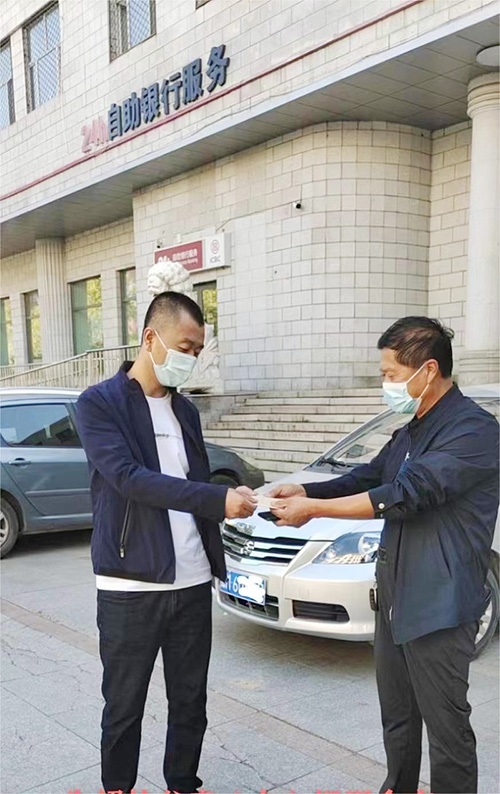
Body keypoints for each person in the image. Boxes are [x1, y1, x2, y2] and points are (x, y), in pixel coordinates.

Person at [269, 317, 499, 794]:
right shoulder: (412, 429)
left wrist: (315, 510)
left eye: (391, 374)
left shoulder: (475, 430)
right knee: (397, 718)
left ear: (428, 370)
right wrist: (307, 490)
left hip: (439, 606)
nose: (386, 384)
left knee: (447, 732)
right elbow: (370, 476)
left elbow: (407, 492)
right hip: (394, 598)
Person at [76, 291, 257, 794]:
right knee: (123, 706)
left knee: (190, 701)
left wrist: (229, 497)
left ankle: (183, 783)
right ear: (151, 338)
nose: (191, 358)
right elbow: (129, 479)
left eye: (198, 350)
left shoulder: (186, 411)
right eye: (185, 347)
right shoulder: (99, 404)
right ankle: (118, 787)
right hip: (130, 584)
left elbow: (193, 483)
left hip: (192, 580)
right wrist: (215, 499)